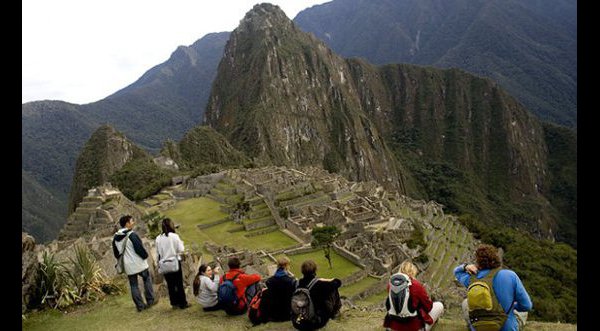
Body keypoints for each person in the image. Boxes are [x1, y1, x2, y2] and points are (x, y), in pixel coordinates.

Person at [454, 244, 532, 331]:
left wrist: (465, 267)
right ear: (496, 258)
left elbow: (457, 272)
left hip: (480, 327)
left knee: (466, 302)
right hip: (507, 327)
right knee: (521, 310)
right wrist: (512, 306)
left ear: (478, 261)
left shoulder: (472, 279)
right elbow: (527, 306)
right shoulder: (510, 275)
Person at [383, 261, 444, 331]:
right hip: (414, 327)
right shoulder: (416, 285)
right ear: (412, 272)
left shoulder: (391, 285)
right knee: (439, 305)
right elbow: (428, 307)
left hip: (394, 327)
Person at [112, 215, 156, 312]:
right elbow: (139, 249)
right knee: (147, 279)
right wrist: (145, 256)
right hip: (139, 263)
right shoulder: (132, 235)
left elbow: (116, 254)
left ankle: (140, 306)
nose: (133, 223)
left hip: (128, 266)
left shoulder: (115, 237)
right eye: (132, 221)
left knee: (133, 285)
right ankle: (150, 300)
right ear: (127, 223)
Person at [295, 260, 342, 330]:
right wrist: (327, 280)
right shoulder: (320, 284)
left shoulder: (297, 284)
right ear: (315, 270)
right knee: (333, 289)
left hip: (300, 319)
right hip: (317, 321)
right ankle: (335, 313)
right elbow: (338, 282)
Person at [155, 218, 190, 309]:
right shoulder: (174, 236)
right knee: (178, 283)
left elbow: (157, 252)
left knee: (170, 284)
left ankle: (174, 303)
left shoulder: (158, 238)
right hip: (174, 262)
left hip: (164, 263)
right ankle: (182, 303)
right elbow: (181, 249)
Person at [264, 256, 298, 321]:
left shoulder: (269, 281)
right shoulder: (291, 281)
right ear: (286, 266)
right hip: (287, 314)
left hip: (274, 315)